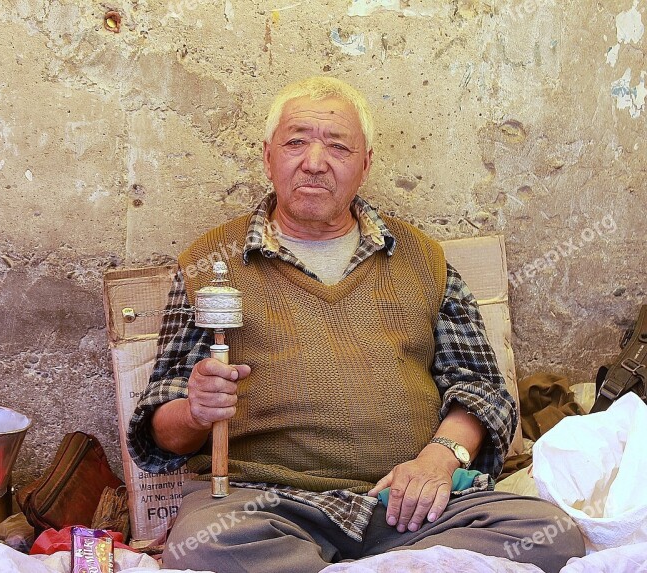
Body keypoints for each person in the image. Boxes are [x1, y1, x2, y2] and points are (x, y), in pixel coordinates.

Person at [127, 76, 585, 573]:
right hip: (263, 505)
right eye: (296, 141)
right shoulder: (210, 263)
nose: (315, 162)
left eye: (338, 146)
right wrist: (194, 411)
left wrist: (439, 458)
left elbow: (481, 391)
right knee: (206, 546)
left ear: (365, 163)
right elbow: (158, 430)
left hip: (410, 504)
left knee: (551, 534)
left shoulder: (422, 261)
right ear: (268, 155)